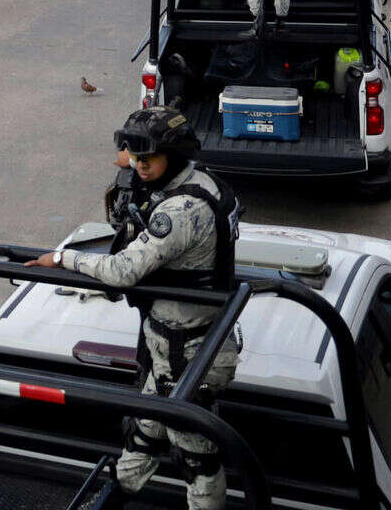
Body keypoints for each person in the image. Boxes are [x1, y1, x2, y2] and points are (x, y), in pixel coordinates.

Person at [24, 107, 240, 510]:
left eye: (148, 157)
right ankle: (116, 495)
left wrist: (62, 258)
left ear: (172, 156)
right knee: (144, 434)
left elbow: (122, 271)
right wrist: (133, 154)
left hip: (186, 353)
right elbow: (136, 162)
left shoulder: (180, 212)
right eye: (134, 155)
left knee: (197, 457)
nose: (138, 164)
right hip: (177, 346)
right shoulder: (201, 181)